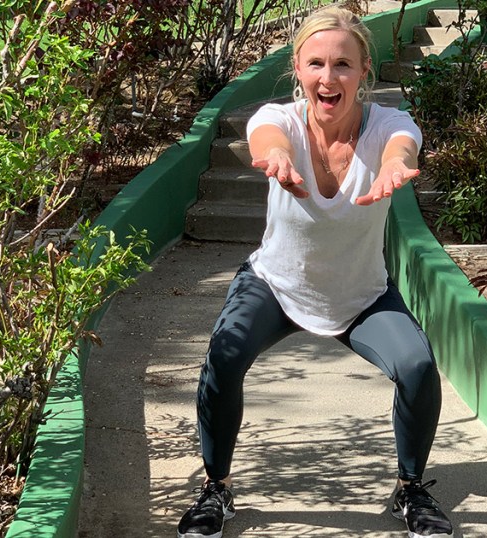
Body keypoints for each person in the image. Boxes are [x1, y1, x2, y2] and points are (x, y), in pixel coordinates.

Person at [176, 7, 454, 538]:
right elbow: (268, 141)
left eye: (344, 65)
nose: (330, 78)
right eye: (317, 64)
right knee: (223, 357)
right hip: (275, 287)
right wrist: (277, 159)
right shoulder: (277, 119)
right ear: (298, 70)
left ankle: (411, 490)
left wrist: (397, 164)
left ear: (364, 70)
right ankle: (216, 489)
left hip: (360, 295)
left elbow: (402, 144)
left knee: (417, 367)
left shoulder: (390, 124)